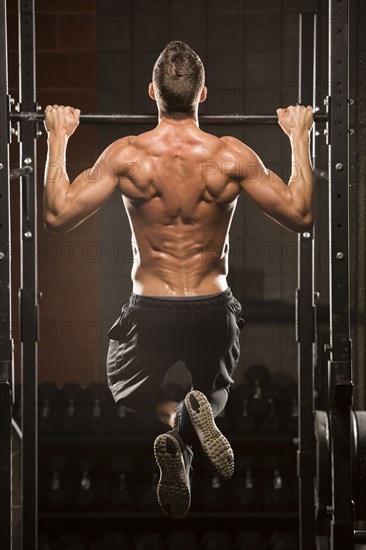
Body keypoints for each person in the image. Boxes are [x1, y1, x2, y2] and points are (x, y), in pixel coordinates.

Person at [44, 41, 314, 519]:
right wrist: (298, 135)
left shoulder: (128, 155)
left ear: (153, 92)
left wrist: (58, 135)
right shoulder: (231, 156)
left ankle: (174, 421)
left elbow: (58, 213)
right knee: (216, 392)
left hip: (151, 306)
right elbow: (301, 213)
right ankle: (188, 426)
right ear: (203, 94)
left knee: (124, 386)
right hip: (213, 303)